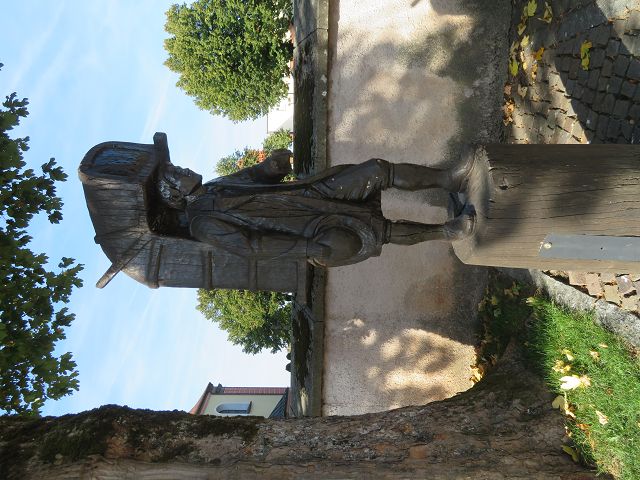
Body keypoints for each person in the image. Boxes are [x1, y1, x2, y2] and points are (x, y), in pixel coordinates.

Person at [156, 149, 475, 267]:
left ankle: (450, 179)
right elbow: (253, 246)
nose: (185, 170)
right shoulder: (203, 225)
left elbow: (251, 177)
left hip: (309, 193)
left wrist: (271, 166)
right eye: (178, 174)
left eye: (179, 168)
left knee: (377, 170)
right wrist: (306, 247)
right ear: (176, 194)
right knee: (379, 232)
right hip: (304, 226)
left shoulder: (213, 186)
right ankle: (448, 231)